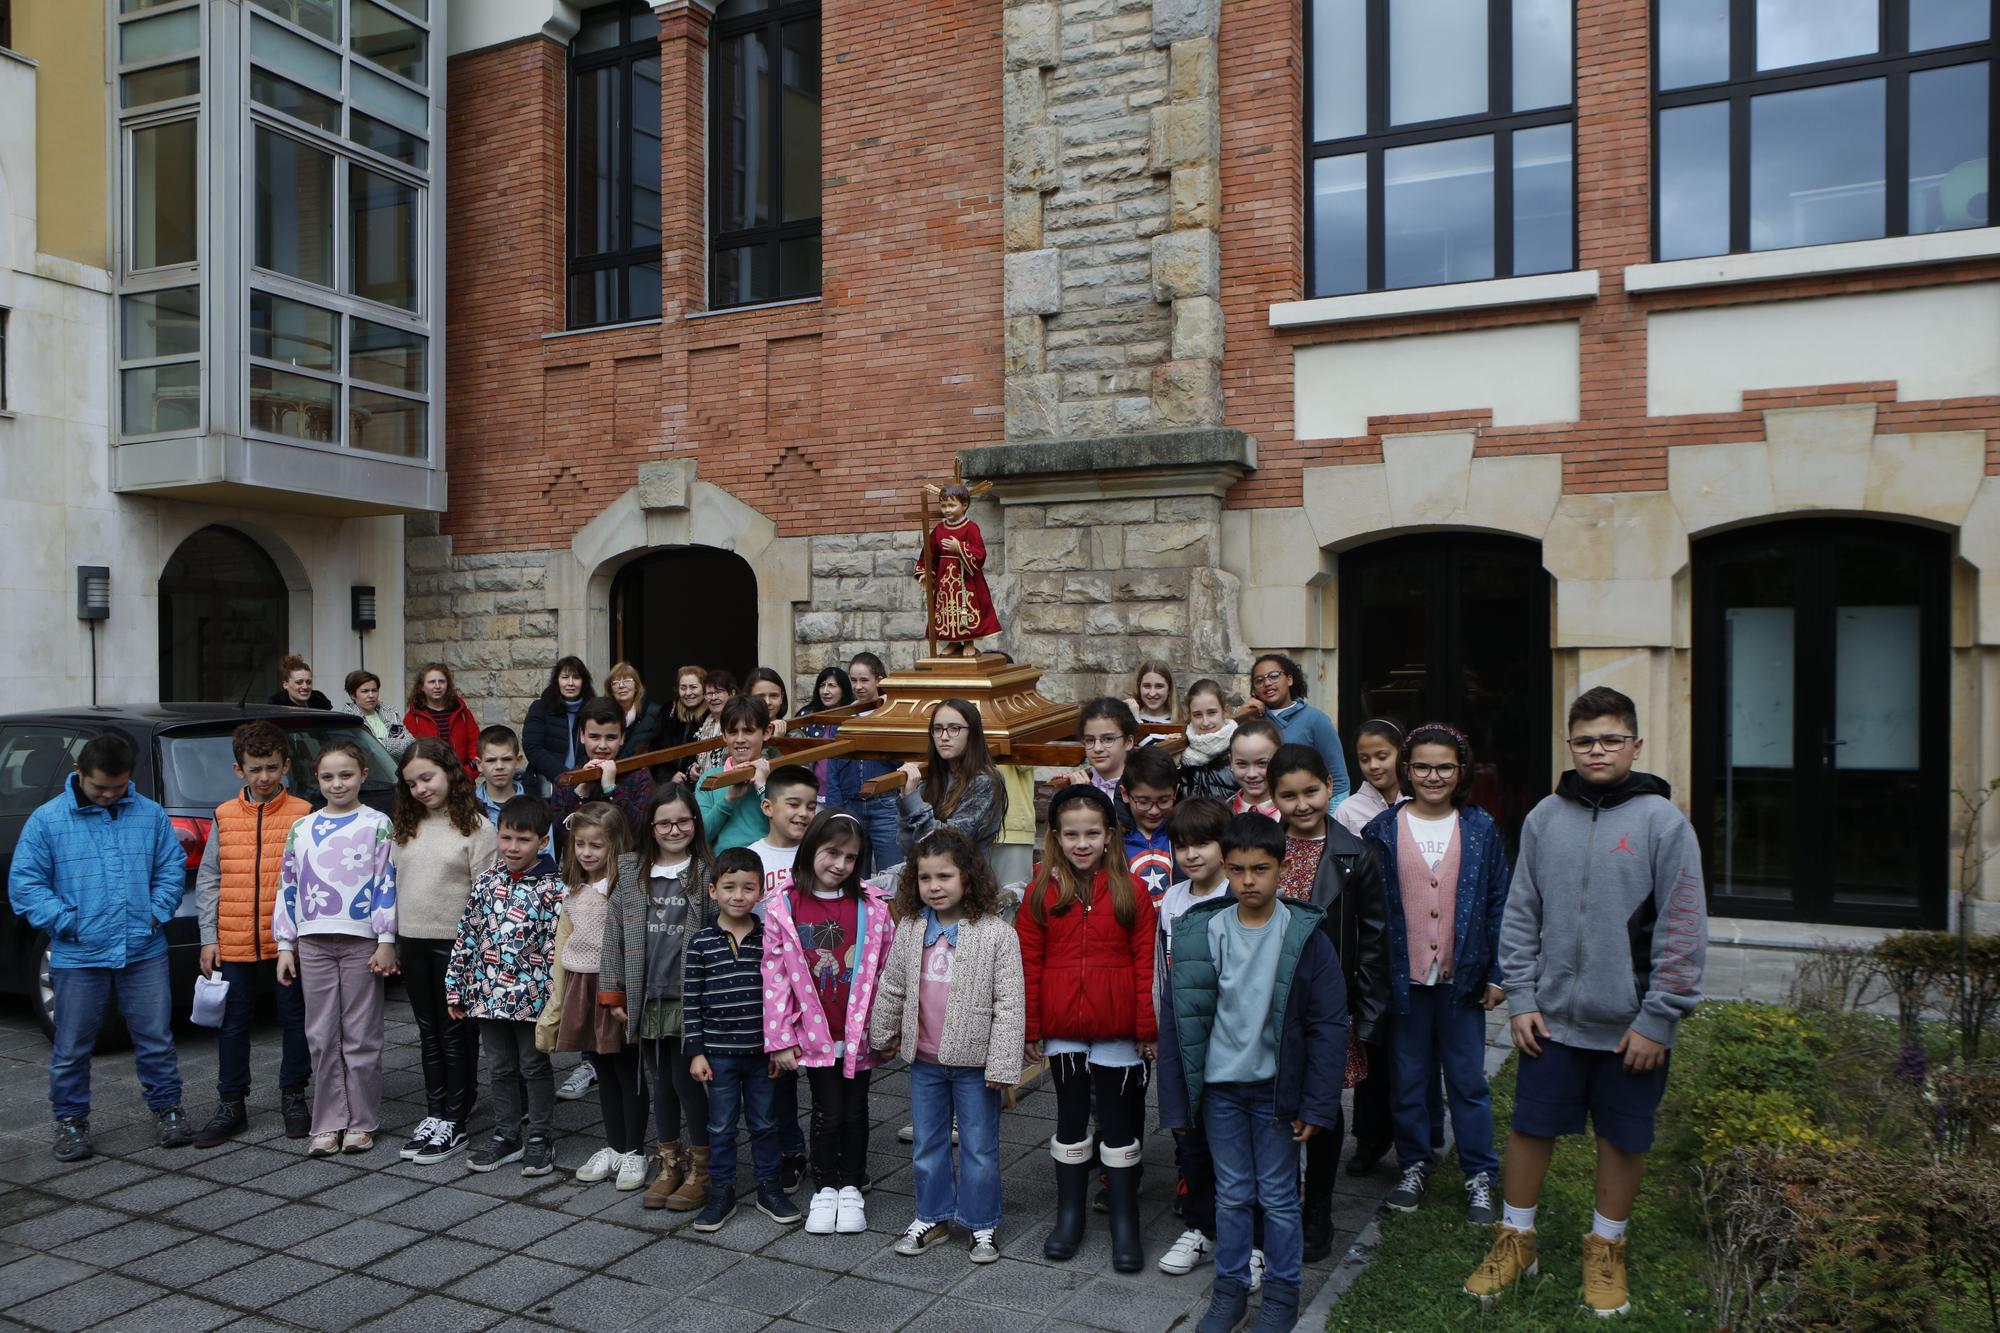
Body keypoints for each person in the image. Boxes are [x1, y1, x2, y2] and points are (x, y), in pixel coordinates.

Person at [1465, 688, 1708, 1318]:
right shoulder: (1546, 816)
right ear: (1569, 746)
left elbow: (1683, 927)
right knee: (1529, 1126)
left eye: (1610, 739)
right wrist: (1521, 997)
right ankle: (1516, 1239)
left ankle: (1607, 1248)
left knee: (1623, 1138)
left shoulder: (1664, 824)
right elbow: (1521, 912)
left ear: (1634, 745)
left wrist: (1659, 1017)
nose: (1597, 750)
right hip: (1551, 1019)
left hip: (1632, 1027)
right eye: (1584, 741)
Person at [1158, 813, 1349, 1333]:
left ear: (1282, 870)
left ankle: (1283, 1298)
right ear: (1224, 866)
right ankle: (1231, 1292)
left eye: (1260, 869)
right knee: (1232, 1194)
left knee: (1280, 1197)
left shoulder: (1307, 933)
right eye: (1238, 869)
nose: (1248, 881)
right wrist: (1176, 1103)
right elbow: (1178, 1023)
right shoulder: (1201, 931)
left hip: (1276, 1094)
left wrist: (1316, 1103)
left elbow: (1329, 1027)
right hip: (1220, 1091)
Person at [10, 734, 194, 1160]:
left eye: (118, 787)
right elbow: (25, 885)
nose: (110, 796)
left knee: (155, 1037)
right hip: (78, 954)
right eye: (99, 788)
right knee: (73, 1043)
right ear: (79, 774)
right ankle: (71, 1121)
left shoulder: (148, 815)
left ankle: (168, 1110)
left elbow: (170, 867)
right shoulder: (47, 820)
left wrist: (155, 912)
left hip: (143, 949)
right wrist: (68, 923)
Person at [1360, 723, 1510, 1226]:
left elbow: (1497, 903)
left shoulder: (1479, 828)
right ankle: (1414, 1162)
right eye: (1422, 766)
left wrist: (1497, 971)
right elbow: (1372, 909)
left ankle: (1480, 1174)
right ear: (1407, 769)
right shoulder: (1381, 831)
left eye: (1445, 767)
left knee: (1467, 1080)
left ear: (1461, 771)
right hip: (1403, 982)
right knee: (1408, 1078)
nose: (1433, 776)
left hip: (1460, 979)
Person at [1016, 784, 1157, 1273]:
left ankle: (1124, 1221)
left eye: (1092, 833)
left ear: (1109, 835)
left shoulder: (1131, 889)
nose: (1082, 843)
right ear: (1055, 836)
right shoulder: (1040, 889)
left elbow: (1145, 963)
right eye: (1071, 834)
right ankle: (1069, 1217)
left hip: (1117, 1027)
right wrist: (1030, 1027)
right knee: (1071, 1119)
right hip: (1063, 1028)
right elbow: (1028, 961)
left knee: (1118, 1125)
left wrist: (1145, 1025)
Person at [874, 827, 1024, 1265]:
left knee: (979, 1146)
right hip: (923, 1060)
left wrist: (1002, 1064)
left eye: (945, 877)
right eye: (925, 878)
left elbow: (1010, 1003)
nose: (935, 887)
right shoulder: (911, 928)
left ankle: (981, 1222)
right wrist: (880, 1034)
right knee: (927, 1143)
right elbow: (894, 984)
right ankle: (933, 1215)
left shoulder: (996, 934)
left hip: (976, 1063)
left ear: (968, 878)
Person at [1267, 743, 1391, 1261]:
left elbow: (1375, 937)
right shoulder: (1263, 847)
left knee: (1323, 1105)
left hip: (1326, 1004)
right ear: (1273, 798)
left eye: (1311, 792)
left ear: (1329, 787)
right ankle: (1274, 1202)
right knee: (1272, 1100)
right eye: (1288, 795)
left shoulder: (1353, 854)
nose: (1301, 805)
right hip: (1268, 1001)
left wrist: (1367, 1013)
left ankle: (1318, 1207)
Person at [764, 811, 893, 1236]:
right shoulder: (785, 904)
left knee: (856, 1110)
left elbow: (888, 973)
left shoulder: (873, 906)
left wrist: (888, 1027)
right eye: (832, 853)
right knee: (827, 1110)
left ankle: (852, 1184)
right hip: (815, 1034)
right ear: (811, 849)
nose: (840, 864)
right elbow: (775, 975)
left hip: (860, 1032)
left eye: (851, 857)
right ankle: (825, 1187)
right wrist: (780, 1037)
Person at [274, 741, 399, 1157]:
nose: (337, 783)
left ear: (363, 774)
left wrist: (385, 940)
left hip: (362, 939)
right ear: (317, 780)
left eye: (345, 775)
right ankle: (327, 1121)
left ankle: (361, 1121)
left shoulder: (378, 823)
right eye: (327, 777)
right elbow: (288, 885)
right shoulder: (302, 828)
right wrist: (285, 944)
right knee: (322, 1034)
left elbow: (386, 883)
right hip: (312, 941)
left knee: (362, 1034)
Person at [192, 721, 314, 1147]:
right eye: (255, 769)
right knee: (232, 1023)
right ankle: (231, 1104)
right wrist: (209, 936)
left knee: (295, 1021)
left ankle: (294, 1095)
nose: (264, 778)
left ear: (286, 765)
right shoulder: (225, 815)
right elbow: (209, 877)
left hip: (287, 942)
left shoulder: (303, 813)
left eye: (272, 768)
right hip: (234, 937)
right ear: (238, 769)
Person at [605, 784, 718, 1211]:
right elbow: (612, 935)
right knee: (660, 1085)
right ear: (651, 826)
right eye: (665, 822)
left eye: (683, 821)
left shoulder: (706, 872)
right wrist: (613, 992)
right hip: (645, 997)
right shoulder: (633, 870)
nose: (674, 829)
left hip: (687, 999)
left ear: (695, 823)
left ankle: (701, 1168)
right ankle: (670, 1162)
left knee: (686, 1083)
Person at [389, 739, 497, 1166]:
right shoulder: (405, 826)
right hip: (412, 940)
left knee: (456, 1033)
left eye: (427, 777)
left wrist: (477, 954)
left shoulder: (476, 828)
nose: (420, 788)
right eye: (411, 782)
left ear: (451, 772)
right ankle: (436, 1111)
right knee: (427, 1030)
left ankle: (456, 1116)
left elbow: (485, 896)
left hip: (456, 944)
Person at [685, 847, 801, 1231]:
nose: (739, 895)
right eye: (730, 887)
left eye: (748, 887)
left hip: (761, 1053)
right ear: (713, 890)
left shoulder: (771, 938)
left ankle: (769, 1187)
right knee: (720, 1126)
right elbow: (691, 1002)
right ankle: (721, 1191)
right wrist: (696, 1052)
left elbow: (783, 997)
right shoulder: (701, 943)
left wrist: (779, 1044)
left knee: (765, 1123)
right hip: (717, 1055)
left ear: (760, 892)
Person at [448, 794, 564, 1176]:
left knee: (533, 1065)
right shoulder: (486, 881)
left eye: (523, 840)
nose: (513, 847)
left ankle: (540, 1137)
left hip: (533, 1000)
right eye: (506, 838)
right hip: (487, 997)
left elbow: (556, 948)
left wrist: (556, 1000)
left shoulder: (555, 889)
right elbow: (468, 936)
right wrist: (456, 986)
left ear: (542, 842)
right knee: (499, 1067)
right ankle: (506, 1135)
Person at [538, 803, 648, 1191]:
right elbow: (566, 940)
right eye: (580, 844)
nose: (586, 853)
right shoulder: (573, 888)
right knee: (602, 1070)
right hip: (581, 985)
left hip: (614, 986)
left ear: (615, 847)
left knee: (627, 1071)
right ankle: (615, 1146)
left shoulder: (625, 887)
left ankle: (634, 1151)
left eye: (596, 845)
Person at [1152, 797, 1236, 1281]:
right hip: (1181, 1032)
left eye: (1203, 843)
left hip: (1227, 1033)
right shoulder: (1173, 900)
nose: (1192, 854)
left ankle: (1250, 1235)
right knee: (1190, 1133)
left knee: (1233, 1133)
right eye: (1181, 845)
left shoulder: (1236, 894)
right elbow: (1163, 972)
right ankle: (1202, 1226)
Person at [896, 698, 1006, 866]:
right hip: (924, 875)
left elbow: (946, 845)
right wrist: (906, 798)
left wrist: (912, 800)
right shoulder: (933, 777)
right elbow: (906, 845)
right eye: (938, 729)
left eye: (954, 729)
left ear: (972, 733)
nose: (944, 737)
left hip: (967, 880)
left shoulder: (985, 781)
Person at [830, 653, 902, 870]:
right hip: (851, 805)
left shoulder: (893, 715)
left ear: (879, 680)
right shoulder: (844, 717)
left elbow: (901, 759)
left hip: (886, 805)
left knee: (891, 874)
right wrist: (836, 810)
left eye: (864, 680)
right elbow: (833, 768)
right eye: (853, 680)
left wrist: (883, 721)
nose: (858, 686)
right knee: (853, 875)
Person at [1248, 654, 1351, 804]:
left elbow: (1339, 778)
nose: (1267, 683)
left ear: (1289, 679)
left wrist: (1329, 820)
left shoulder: (1316, 719)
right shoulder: (1252, 722)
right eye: (1259, 680)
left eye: (1274, 676)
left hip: (1305, 810)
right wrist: (1237, 718)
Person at [550, 697, 653, 844]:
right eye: (594, 737)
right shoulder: (566, 781)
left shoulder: (639, 777)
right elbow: (560, 837)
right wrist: (581, 791)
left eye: (611, 737)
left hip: (624, 864)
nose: (602, 745)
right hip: (579, 865)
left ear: (622, 738)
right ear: (582, 736)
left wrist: (611, 790)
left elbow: (641, 831)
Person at [917, 481, 1000, 654]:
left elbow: (980, 553)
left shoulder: (971, 528)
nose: (947, 510)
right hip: (945, 581)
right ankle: (952, 642)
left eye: (952, 505)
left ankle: (968, 642)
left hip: (966, 578)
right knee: (947, 610)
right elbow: (929, 554)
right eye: (943, 505)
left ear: (964, 505)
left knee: (966, 608)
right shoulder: (939, 530)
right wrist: (925, 572)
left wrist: (959, 548)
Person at [695, 695, 775, 852]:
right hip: (724, 867)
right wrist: (729, 799)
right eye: (732, 732)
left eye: (748, 731)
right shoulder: (709, 780)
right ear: (724, 735)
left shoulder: (780, 775)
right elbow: (700, 836)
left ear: (766, 731)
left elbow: (788, 827)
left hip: (769, 866)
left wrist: (762, 788)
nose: (740, 739)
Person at [750, 764, 821, 901]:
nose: (804, 813)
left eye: (811, 807)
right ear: (767, 807)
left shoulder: (821, 855)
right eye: (794, 804)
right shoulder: (750, 857)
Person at [522, 657, 594, 792]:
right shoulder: (540, 707)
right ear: (557, 680)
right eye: (565, 677)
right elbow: (532, 748)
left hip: (583, 783)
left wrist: (581, 776)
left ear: (583, 682)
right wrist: (565, 776)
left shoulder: (592, 710)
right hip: (546, 786)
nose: (570, 683)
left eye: (576, 678)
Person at [1066, 697, 1139, 825]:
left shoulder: (1141, 784)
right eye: (1089, 740)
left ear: (1128, 742)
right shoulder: (1074, 785)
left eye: (1108, 739)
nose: (1097, 748)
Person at [1121, 744, 1179, 901]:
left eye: (1164, 800)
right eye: (1143, 801)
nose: (1154, 811)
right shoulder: (1115, 839)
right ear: (1125, 794)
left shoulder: (1184, 834)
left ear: (1176, 792)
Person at [405, 663, 481, 777]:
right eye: (432, 682)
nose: (437, 686)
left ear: (447, 685)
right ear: (421, 686)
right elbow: (409, 751)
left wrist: (467, 772)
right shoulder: (413, 717)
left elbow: (476, 743)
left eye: (441, 681)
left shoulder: (462, 712)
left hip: (462, 779)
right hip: (429, 781)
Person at [1335, 718, 1407, 837]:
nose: (1373, 766)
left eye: (1382, 757)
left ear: (1402, 753)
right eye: (1364, 759)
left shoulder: (1419, 802)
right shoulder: (1347, 809)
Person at [1177, 678, 1238, 802]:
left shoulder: (1239, 748)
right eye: (1197, 715)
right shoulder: (1181, 753)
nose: (1205, 722)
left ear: (1224, 711)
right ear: (1189, 715)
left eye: (1211, 713)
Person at [658, 665, 711, 782]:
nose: (688, 693)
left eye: (693, 687)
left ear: (704, 688)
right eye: (683, 688)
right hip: (669, 783)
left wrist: (690, 771)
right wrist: (669, 775)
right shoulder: (669, 711)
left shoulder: (711, 715)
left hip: (697, 783)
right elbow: (657, 748)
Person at [342, 669, 410, 759]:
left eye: (374, 690)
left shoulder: (390, 712)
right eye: (365, 691)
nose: (371, 695)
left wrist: (379, 743)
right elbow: (364, 751)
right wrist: (395, 743)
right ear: (352, 695)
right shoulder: (348, 719)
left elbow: (409, 743)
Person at [605, 661, 665, 758]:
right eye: (616, 682)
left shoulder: (655, 713)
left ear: (636, 686)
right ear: (610, 690)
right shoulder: (604, 715)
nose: (621, 686)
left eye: (627, 681)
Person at [1228, 717, 1283, 818]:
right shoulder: (1222, 815)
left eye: (1262, 763)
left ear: (1279, 759)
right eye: (1242, 764)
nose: (1251, 774)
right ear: (1231, 761)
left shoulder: (1294, 816)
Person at [1124, 660, 1179, 728]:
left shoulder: (1181, 723)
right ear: (1139, 686)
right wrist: (1134, 719)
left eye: (1159, 686)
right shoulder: (1128, 718)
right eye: (1147, 686)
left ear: (1169, 689)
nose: (1152, 693)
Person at [746, 668, 793, 739]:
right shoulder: (738, 732)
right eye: (760, 696)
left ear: (781, 698)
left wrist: (779, 741)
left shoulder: (794, 734)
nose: (767, 702)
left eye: (774, 695)